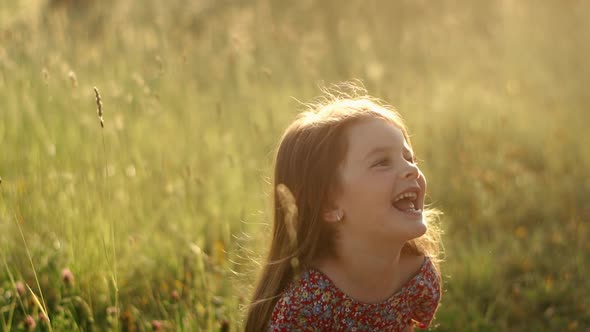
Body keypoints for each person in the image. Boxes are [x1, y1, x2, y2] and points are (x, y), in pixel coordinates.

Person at [245, 83, 443, 332]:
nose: (412, 169)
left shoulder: (419, 279)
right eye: (382, 162)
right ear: (329, 205)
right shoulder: (306, 305)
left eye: (409, 158)